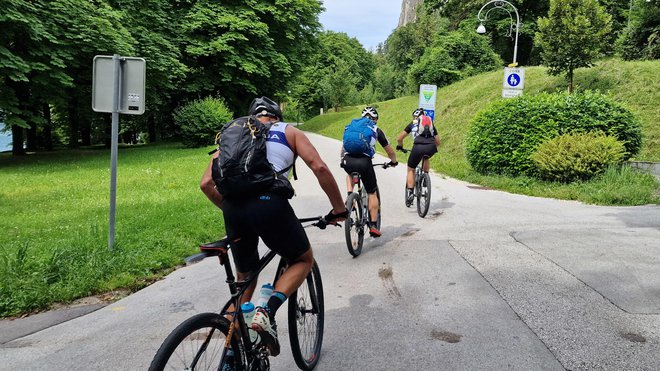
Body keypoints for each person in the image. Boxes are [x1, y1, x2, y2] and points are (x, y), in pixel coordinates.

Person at [200, 96, 347, 361]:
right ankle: (266, 311)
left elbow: (206, 184)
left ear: (251, 117)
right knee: (302, 258)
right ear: (276, 116)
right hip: (270, 202)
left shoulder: (235, 132)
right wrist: (339, 209)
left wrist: (236, 211)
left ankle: (232, 352)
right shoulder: (288, 131)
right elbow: (320, 167)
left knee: (244, 276)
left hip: (234, 209)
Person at [340, 106, 398, 238]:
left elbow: (344, 147)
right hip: (364, 163)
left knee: (349, 174)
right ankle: (372, 225)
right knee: (372, 192)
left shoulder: (350, 127)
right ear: (375, 119)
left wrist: (342, 160)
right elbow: (389, 151)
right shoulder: (375, 129)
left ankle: (350, 197)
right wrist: (393, 161)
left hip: (348, 160)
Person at [395, 108, 440, 205]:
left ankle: (410, 192)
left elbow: (399, 138)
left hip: (417, 147)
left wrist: (400, 146)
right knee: (426, 157)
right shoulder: (430, 123)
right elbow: (438, 142)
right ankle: (425, 176)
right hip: (430, 146)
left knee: (411, 169)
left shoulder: (413, 123)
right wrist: (430, 147)